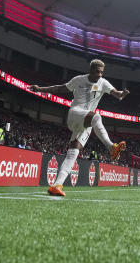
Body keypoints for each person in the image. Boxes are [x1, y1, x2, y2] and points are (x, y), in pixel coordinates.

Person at [30, 59, 129, 197]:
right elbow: (59, 88)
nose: (99, 74)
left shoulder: (103, 83)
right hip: (75, 114)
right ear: (91, 70)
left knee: (73, 153)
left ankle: (56, 185)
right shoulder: (79, 80)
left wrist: (122, 94)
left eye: (101, 72)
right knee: (97, 117)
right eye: (97, 71)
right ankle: (112, 147)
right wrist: (40, 89)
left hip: (87, 123)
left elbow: (116, 94)